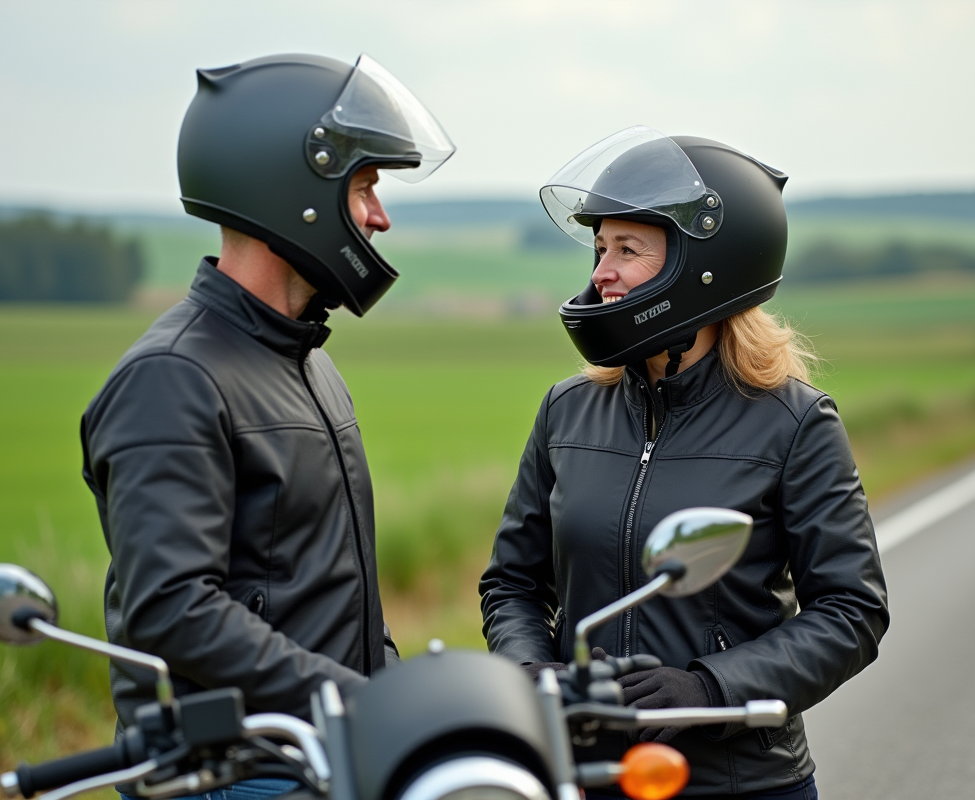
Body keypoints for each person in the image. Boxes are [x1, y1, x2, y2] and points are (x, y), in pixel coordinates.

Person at [81, 53, 454, 799]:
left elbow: (329, 586)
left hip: (322, 757)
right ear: (294, 191)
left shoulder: (307, 360)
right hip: (235, 774)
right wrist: (356, 701)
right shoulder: (174, 377)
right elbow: (172, 609)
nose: (379, 217)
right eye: (364, 188)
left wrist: (394, 696)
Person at [479, 128, 888, 799]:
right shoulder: (567, 411)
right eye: (600, 248)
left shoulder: (794, 422)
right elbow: (512, 584)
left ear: (705, 266)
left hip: (739, 780)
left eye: (627, 249)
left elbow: (851, 611)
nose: (600, 273)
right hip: (585, 774)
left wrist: (710, 687)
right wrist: (530, 671)